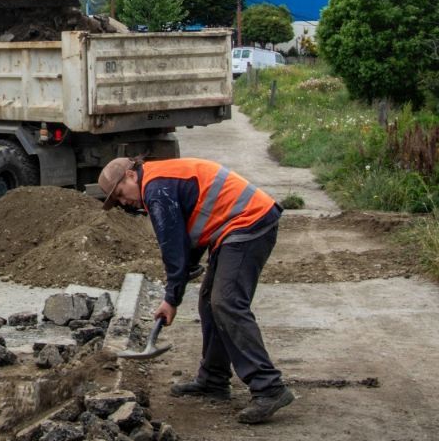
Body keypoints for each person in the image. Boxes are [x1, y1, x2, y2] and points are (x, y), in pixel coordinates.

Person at [99, 156, 295, 424]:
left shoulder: (156, 189)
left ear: (131, 175)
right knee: (209, 302)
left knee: (226, 302)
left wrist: (172, 298)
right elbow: (189, 234)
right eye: (118, 201)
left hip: (249, 221)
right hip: (235, 225)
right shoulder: (160, 180)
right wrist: (182, 275)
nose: (124, 202)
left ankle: (269, 387)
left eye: (121, 194)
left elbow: (173, 248)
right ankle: (214, 379)